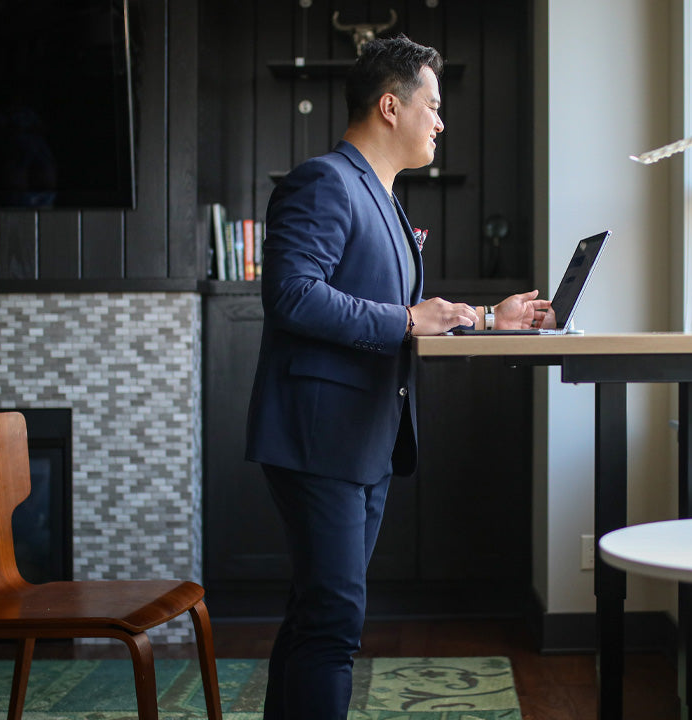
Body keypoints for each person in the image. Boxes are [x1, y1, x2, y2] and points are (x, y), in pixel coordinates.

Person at [243, 35, 550, 719]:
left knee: (315, 613)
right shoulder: (325, 181)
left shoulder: (381, 197)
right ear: (390, 105)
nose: (441, 122)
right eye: (433, 106)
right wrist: (410, 321)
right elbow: (291, 294)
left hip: (366, 439)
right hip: (319, 439)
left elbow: (417, 313)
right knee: (333, 622)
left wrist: (488, 319)